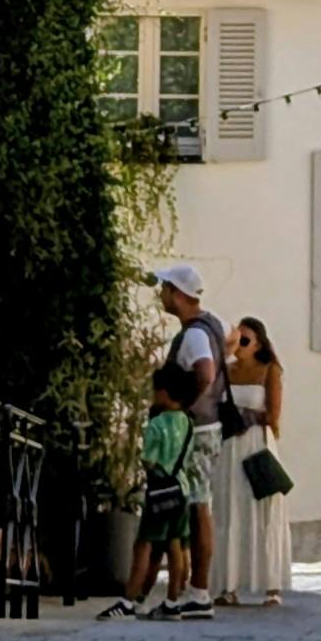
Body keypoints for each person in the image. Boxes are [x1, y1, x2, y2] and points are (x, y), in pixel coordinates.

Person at [154, 262, 226, 603]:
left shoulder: (195, 334)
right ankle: (192, 588)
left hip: (196, 429)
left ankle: (198, 590)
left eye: (165, 288)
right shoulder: (213, 324)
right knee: (197, 504)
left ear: (178, 294)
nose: (161, 294)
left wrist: (184, 405)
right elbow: (231, 344)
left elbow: (206, 373)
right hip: (208, 424)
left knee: (197, 507)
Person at [210, 316, 294, 607]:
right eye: (237, 339)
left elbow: (273, 414)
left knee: (262, 510)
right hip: (230, 444)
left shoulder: (269, 369)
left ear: (258, 344)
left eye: (245, 340)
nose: (240, 345)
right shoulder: (226, 370)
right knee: (229, 509)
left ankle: (271, 585)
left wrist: (248, 416)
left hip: (257, 442)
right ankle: (228, 584)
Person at [103, 373, 198, 618]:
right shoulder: (188, 423)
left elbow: (148, 460)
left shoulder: (157, 424)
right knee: (175, 544)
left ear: (164, 392)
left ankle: (128, 601)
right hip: (181, 489)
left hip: (160, 493)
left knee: (143, 545)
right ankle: (172, 602)